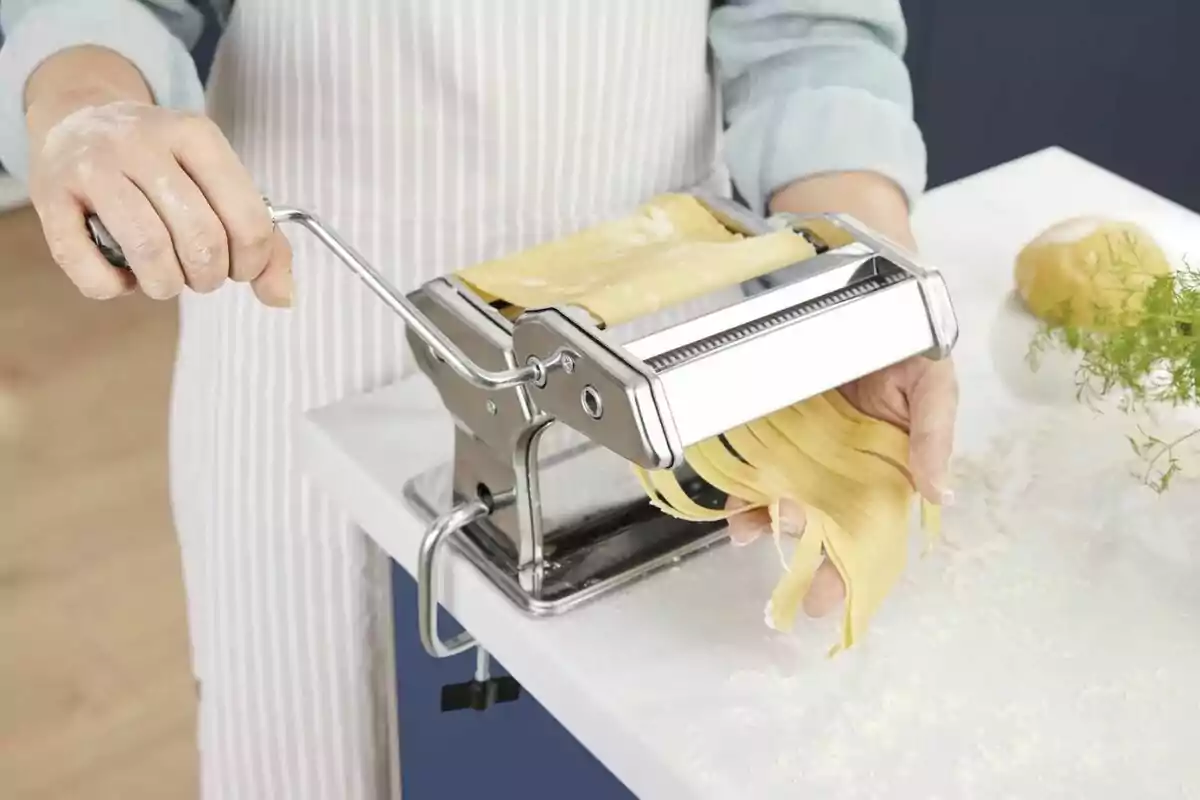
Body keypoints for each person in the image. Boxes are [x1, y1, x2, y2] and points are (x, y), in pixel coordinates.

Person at [0, 0, 958, 797]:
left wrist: (860, 291)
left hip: (657, 375)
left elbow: (807, 28)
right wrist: (85, 105)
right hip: (316, 348)